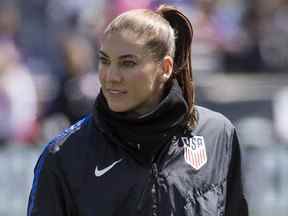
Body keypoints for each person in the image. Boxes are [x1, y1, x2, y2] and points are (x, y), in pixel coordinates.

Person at [27, 5, 248, 216]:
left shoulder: (217, 135)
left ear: (165, 68)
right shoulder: (64, 155)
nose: (111, 76)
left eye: (128, 63)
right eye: (104, 61)